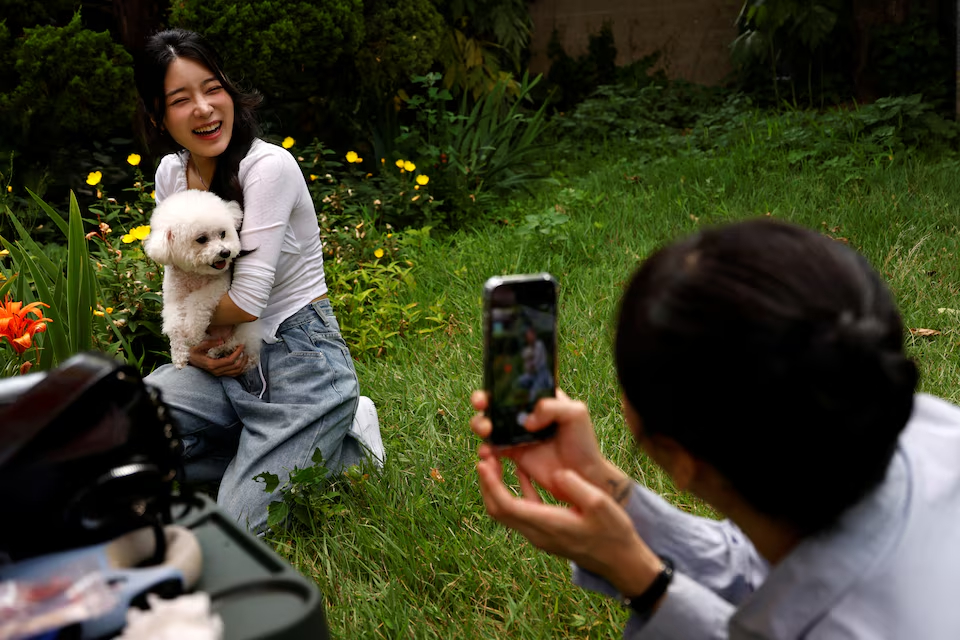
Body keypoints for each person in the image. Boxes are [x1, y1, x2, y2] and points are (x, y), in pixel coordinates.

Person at [470, 218, 960, 639]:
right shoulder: (929, 427)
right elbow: (771, 567)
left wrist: (642, 579)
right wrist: (604, 483)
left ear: (679, 457)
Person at [134, 28, 384, 533]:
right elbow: (180, 272)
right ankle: (267, 448)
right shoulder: (169, 174)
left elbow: (247, 301)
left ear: (229, 90)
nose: (204, 108)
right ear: (160, 115)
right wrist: (195, 345)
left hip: (300, 358)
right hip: (222, 360)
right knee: (126, 435)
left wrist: (187, 331)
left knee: (237, 525)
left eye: (212, 88)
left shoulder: (267, 166)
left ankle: (348, 441)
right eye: (182, 99)